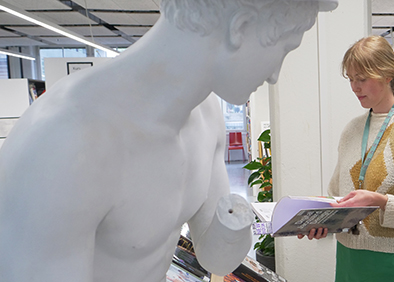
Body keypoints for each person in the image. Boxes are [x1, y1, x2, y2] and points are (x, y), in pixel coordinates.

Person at [0, 1, 336, 281]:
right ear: (241, 28)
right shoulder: (64, 141)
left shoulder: (205, 114)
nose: (276, 73)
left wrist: (233, 223)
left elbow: (216, 259)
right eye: (284, 47)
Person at [298, 36, 394, 282]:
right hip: (349, 258)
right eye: (351, 79)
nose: (355, 87)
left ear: (388, 75)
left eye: (362, 79)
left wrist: (380, 201)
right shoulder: (352, 129)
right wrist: (323, 222)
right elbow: (337, 193)